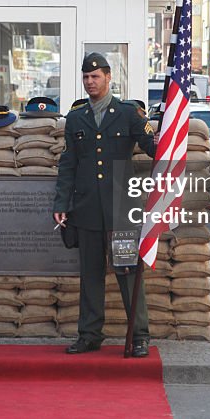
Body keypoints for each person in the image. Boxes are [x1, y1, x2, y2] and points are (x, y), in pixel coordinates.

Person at [52, 52, 156, 358]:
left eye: (95, 77)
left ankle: (139, 335)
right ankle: (89, 334)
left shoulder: (128, 114)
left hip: (121, 206)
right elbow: (68, 163)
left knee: (128, 272)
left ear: (108, 78)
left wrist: (167, 140)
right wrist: (61, 202)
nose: (89, 82)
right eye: (85, 77)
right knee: (90, 274)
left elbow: (153, 148)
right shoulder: (76, 118)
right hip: (86, 208)